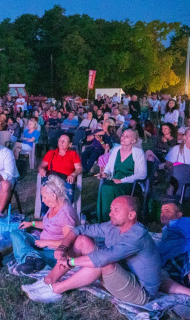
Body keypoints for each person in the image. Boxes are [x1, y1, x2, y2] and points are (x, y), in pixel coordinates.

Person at [23, 196, 161, 305]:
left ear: (131, 215)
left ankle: (55, 290)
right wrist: (63, 246)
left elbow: (105, 257)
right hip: (121, 275)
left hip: (140, 292)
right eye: (111, 209)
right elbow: (79, 230)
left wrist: (71, 262)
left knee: (101, 261)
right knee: (82, 240)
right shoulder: (113, 226)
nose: (110, 213)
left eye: (116, 210)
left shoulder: (137, 236)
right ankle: (49, 280)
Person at [12, 176, 80, 274]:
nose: (43, 200)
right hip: (42, 242)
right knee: (15, 234)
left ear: (53, 196)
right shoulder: (54, 205)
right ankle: (33, 259)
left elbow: (68, 242)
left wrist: (47, 242)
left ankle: (31, 258)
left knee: (30, 250)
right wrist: (32, 223)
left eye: (44, 197)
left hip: (54, 250)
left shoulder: (65, 214)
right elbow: (49, 224)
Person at [96, 129, 147, 222]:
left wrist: (122, 181)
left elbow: (142, 174)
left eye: (127, 137)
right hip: (114, 180)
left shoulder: (138, 152)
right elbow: (109, 167)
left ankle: (117, 219)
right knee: (104, 187)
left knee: (111, 188)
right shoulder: (115, 150)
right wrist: (105, 173)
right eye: (123, 135)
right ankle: (104, 220)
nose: (123, 138)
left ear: (134, 141)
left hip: (130, 183)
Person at [157, 201, 190, 298]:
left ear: (178, 215)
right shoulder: (166, 228)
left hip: (183, 256)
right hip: (168, 262)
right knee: (157, 279)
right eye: (161, 211)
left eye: (167, 211)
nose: (163, 213)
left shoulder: (183, 221)